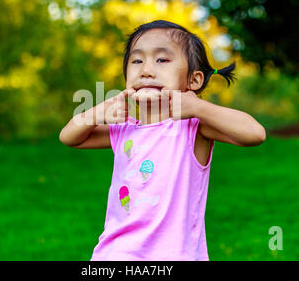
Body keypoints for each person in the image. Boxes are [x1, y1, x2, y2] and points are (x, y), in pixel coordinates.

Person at [59, 20, 266, 260]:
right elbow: (69, 137)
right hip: (114, 254)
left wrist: (198, 107)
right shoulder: (123, 130)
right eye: (137, 61)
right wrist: (97, 113)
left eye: (162, 60)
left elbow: (255, 133)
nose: (146, 69)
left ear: (194, 80)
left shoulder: (193, 128)